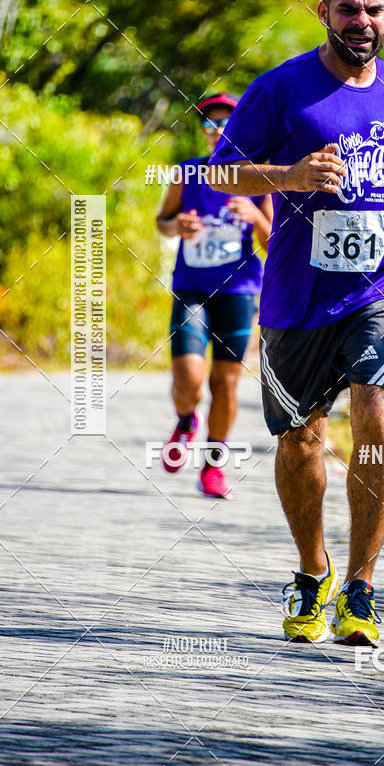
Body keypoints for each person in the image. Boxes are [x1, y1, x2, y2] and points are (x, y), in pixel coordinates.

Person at [209, 0, 384, 643]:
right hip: (296, 296)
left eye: (374, 9)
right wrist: (286, 174)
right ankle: (312, 573)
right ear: (323, 11)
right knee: (301, 441)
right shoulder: (281, 88)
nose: (362, 21)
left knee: (377, 415)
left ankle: (362, 587)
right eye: (348, 7)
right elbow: (222, 172)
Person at [156, 92, 273, 498]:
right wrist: (178, 227)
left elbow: (276, 240)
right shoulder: (186, 174)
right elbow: (163, 222)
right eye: (209, 124)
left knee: (225, 384)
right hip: (192, 286)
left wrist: (255, 215)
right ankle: (186, 419)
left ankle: (213, 465)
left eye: (224, 123)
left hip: (239, 291)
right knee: (189, 376)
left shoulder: (258, 179)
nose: (216, 130)